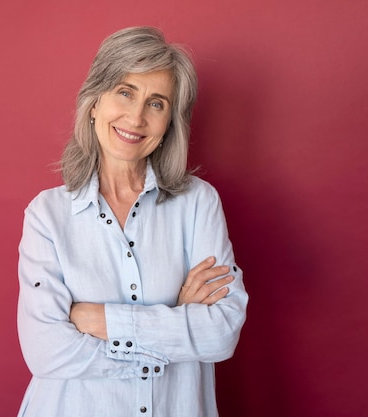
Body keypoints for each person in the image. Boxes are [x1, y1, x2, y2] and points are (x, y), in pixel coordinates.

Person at [16, 26, 248, 417]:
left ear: (170, 123)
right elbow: (47, 352)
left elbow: (222, 333)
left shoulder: (198, 204)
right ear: (94, 103)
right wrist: (176, 319)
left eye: (157, 103)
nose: (136, 117)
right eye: (125, 92)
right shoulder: (47, 215)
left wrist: (99, 319)